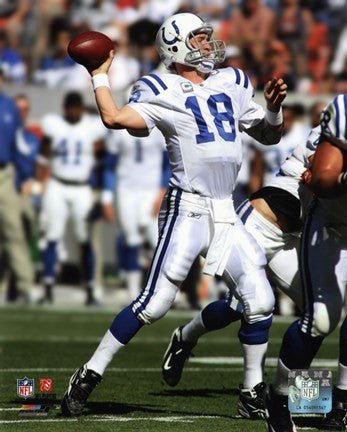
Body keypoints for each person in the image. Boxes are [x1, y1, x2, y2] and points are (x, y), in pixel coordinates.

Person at [60, 12, 286, 416]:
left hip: (225, 209)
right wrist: (99, 75)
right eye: (199, 39)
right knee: (155, 303)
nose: (208, 44)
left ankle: (250, 394)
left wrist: (272, 110)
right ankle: (89, 374)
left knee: (260, 300)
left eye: (206, 37)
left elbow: (268, 135)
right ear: (177, 45)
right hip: (188, 207)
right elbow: (115, 118)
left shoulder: (231, 81)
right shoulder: (158, 87)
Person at [161, 126, 319, 419]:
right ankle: (188, 338)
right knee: (246, 305)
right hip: (260, 221)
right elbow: (323, 176)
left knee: (319, 314)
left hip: (297, 233)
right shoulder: (335, 125)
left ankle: (297, 397)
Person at [266, 94, 347, 432]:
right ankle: (279, 397)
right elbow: (323, 179)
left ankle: (341, 403)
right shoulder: (342, 111)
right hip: (324, 225)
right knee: (321, 319)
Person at [38, 91, 106, 305]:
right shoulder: (53, 124)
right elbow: (44, 152)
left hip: (81, 188)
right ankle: (47, 288)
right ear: (65, 108)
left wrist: (101, 188)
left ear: (80, 108)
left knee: (84, 239)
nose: (73, 112)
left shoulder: (92, 126)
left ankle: (90, 290)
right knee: (51, 236)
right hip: (57, 185)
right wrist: (39, 182)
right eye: (70, 108)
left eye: (76, 108)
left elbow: (103, 155)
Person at [102, 127, 169, 300]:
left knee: (157, 241)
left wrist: (162, 191)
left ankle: (162, 291)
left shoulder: (158, 127)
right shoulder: (118, 130)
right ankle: (133, 292)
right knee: (131, 239)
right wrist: (106, 197)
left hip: (151, 191)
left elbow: (167, 163)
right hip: (126, 190)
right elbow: (110, 165)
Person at [0, 68, 34, 302]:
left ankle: (23, 287)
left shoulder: (9, 107)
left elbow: (17, 145)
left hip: (4, 174)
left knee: (14, 232)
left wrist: (24, 176)